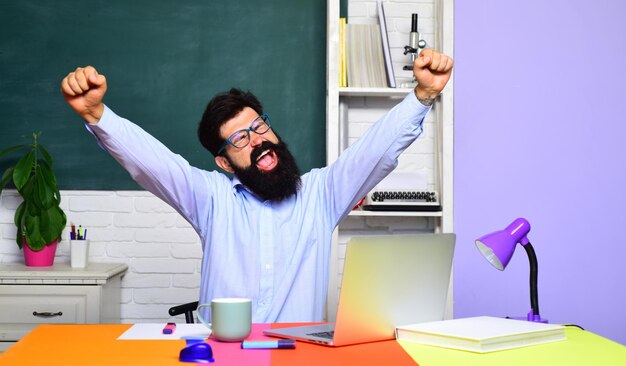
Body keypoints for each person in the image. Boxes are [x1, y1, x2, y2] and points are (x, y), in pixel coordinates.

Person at [60, 49, 453, 323]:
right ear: (223, 161)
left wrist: (423, 95)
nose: (258, 140)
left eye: (258, 126)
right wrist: (98, 114)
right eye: (240, 139)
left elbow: (373, 151)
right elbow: (154, 164)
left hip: (297, 355)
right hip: (221, 353)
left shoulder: (322, 194)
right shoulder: (211, 199)